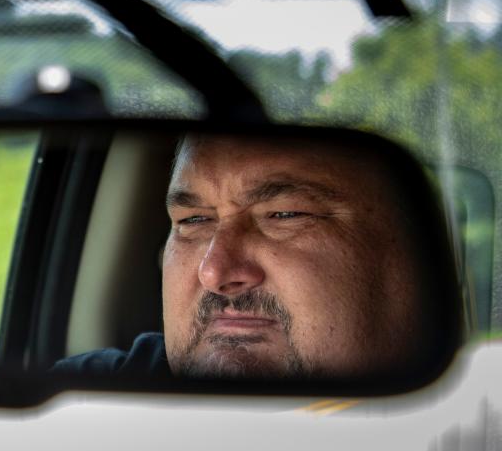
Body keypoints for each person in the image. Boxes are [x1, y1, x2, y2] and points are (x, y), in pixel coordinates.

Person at [55, 132, 437, 380]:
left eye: (286, 215)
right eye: (194, 220)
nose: (214, 271)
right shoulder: (85, 397)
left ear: (422, 260)